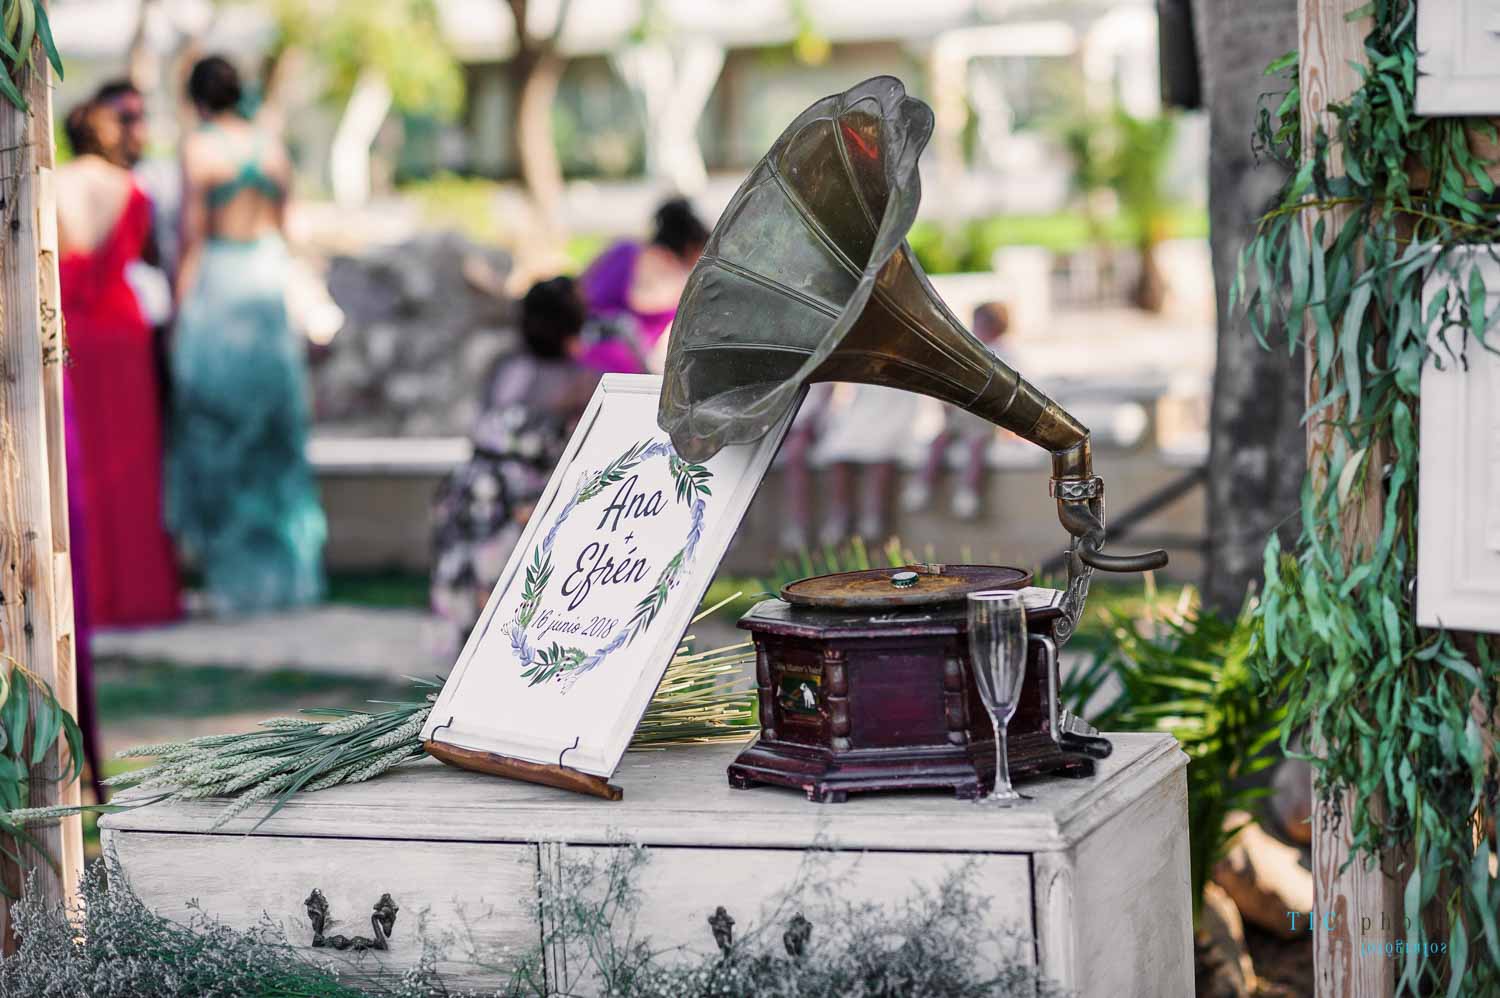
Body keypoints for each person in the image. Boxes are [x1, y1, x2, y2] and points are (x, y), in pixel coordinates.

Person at [167, 55, 326, 613]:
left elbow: (191, 234)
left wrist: (177, 311)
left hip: (223, 284)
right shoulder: (271, 145)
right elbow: (293, 229)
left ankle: (233, 582)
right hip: (267, 280)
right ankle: (290, 578)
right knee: (275, 435)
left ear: (197, 98)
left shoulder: (199, 147)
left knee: (217, 431)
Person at [56, 100, 182, 629]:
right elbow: (148, 256)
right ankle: (138, 594)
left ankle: (90, 593)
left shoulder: (50, 183)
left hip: (72, 327)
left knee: (78, 461)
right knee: (132, 463)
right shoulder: (132, 188)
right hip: (123, 330)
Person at [430, 277, 601, 651]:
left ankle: (460, 668)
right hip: (522, 503)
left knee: (470, 589)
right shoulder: (579, 383)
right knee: (509, 602)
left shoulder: (502, 367)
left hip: (472, 489)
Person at [577, 197, 708, 373]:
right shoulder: (687, 286)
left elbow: (580, 288)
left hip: (579, 357)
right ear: (691, 247)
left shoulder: (623, 250)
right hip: (624, 374)